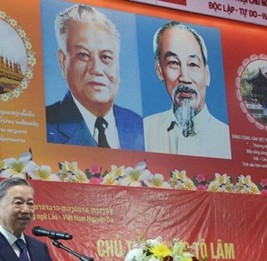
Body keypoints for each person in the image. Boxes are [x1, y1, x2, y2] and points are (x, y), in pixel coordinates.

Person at [46, 4, 144, 151]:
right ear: (63, 61)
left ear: (117, 65)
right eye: (83, 55)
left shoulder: (140, 127)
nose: (97, 69)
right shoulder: (46, 126)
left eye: (105, 57)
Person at [144, 21, 231, 159]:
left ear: (207, 74)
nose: (184, 77)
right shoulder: (145, 131)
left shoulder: (226, 139)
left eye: (193, 64)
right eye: (174, 63)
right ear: (159, 70)